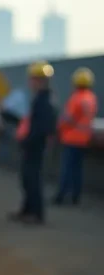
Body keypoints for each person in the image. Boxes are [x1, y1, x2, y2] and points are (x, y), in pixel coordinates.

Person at [10, 61, 57, 224]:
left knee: (33, 179)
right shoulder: (40, 98)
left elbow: (42, 127)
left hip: (35, 146)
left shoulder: (44, 101)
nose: (31, 82)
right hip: (32, 145)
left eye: (33, 79)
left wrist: (29, 141)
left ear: (39, 80)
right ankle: (27, 210)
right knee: (27, 178)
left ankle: (36, 214)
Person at [54, 67, 98, 206]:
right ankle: (75, 197)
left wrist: (58, 129)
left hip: (71, 138)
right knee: (77, 170)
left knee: (67, 169)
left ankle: (61, 196)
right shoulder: (91, 98)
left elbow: (67, 119)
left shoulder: (76, 98)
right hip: (84, 140)